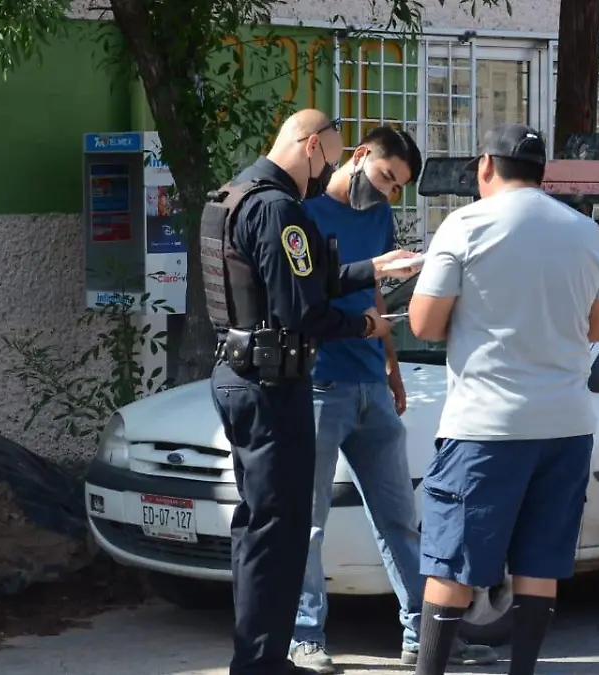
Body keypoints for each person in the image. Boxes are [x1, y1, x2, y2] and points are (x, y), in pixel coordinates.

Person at [200, 108, 423, 675]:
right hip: (275, 384)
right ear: (315, 146)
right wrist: (362, 327)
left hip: (241, 373)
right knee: (282, 529)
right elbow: (304, 309)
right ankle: (265, 660)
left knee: (263, 525)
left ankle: (262, 657)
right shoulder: (282, 210)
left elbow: (301, 281)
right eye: (331, 150)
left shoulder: (231, 196)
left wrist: (371, 268)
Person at [405, 123, 599, 675]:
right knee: (538, 560)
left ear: (485, 167)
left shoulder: (465, 225)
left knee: (450, 563)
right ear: (541, 173)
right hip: (567, 425)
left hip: (486, 426)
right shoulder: (584, 231)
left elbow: (424, 324)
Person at [288, 126, 498, 673]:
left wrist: (392, 370)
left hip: (369, 386)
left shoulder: (376, 216)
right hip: (317, 386)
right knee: (308, 522)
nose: (386, 192)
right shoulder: (302, 212)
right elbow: (303, 296)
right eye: (384, 177)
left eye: (397, 186)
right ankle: (304, 635)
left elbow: (376, 293)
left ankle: (422, 637)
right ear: (359, 157)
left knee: (400, 518)